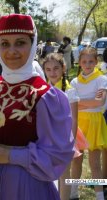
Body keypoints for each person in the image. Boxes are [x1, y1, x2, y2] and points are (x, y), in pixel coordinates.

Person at [0, 14, 74, 200]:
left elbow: (58, 155)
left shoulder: (45, 96)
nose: (11, 51)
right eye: (4, 44)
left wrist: (10, 155)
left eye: (20, 43)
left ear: (33, 44)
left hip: (26, 185)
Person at [43, 53, 88, 200]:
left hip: (65, 138)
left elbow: (74, 119)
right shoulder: (44, 89)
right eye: (48, 69)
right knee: (48, 172)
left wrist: (71, 143)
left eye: (56, 68)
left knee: (64, 173)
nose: (52, 73)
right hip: (48, 137)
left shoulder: (70, 91)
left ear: (63, 68)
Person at [70, 47, 107, 200]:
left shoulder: (102, 79)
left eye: (91, 61)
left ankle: (99, 196)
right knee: (76, 161)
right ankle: (73, 193)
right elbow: (72, 104)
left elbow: (100, 102)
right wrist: (90, 103)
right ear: (79, 63)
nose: (87, 64)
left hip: (94, 123)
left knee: (94, 164)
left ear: (96, 62)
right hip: (78, 122)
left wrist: (79, 102)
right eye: (84, 61)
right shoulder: (74, 81)